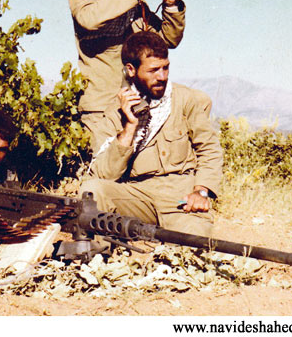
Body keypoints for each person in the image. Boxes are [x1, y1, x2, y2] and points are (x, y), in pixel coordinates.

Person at [80, 32, 223, 237]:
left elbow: (209, 149)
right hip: (137, 196)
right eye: (153, 70)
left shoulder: (184, 99)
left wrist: (200, 191)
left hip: (180, 198)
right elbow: (104, 175)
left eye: (165, 68)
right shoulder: (114, 114)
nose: (162, 77)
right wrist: (130, 126)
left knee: (193, 245)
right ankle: (100, 251)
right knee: (92, 192)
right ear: (131, 70)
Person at [69, 0, 186, 148]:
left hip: (136, 104)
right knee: (102, 164)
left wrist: (171, 4)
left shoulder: (135, 4)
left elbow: (168, 40)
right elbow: (89, 20)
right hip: (101, 108)